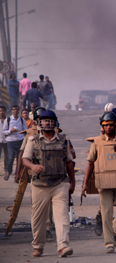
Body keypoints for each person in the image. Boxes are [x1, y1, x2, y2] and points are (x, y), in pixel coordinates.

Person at [22, 110, 75, 258]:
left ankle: (63, 246)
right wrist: (33, 167)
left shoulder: (64, 140)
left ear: (55, 123)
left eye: (50, 121)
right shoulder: (33, 140)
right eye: (44, 121)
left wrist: (73, 182)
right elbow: (25, 159)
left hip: (60, 183)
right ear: (40, 123)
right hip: (39, 185)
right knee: (38, 218)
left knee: (62, 216)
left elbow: (69, 162)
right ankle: (38, 247)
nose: (47, 123)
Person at [81, 112, 116, 254]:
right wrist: (84, 184)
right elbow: (90, 164)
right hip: (104, 183)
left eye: (111, 125)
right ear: (102, 127)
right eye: (106, 125)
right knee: (106, 213)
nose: (109, 128)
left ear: (115, 125)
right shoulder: (97, 142)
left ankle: (114, 231)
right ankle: (109, 243)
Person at [3, 105, 27, 181]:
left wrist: (21, 133)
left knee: (20, 159)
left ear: (18, 111)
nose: (15, 111)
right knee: (10, 158)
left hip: (20, 141)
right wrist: (11, 131)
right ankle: (8, 172)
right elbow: (4, 131)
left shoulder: (22, 120)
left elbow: (26, 130)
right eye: (14, 109)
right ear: (12, 111)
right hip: (11, 141)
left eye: (16, 109)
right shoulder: (8, 120)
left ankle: (17, 174)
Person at [0, 106, 8, 177]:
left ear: (5, 111)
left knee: (6, 156)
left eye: (2, 111)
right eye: (0, 111)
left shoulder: (8, 120)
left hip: (6, 140)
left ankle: (6, 169)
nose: (1, 112)